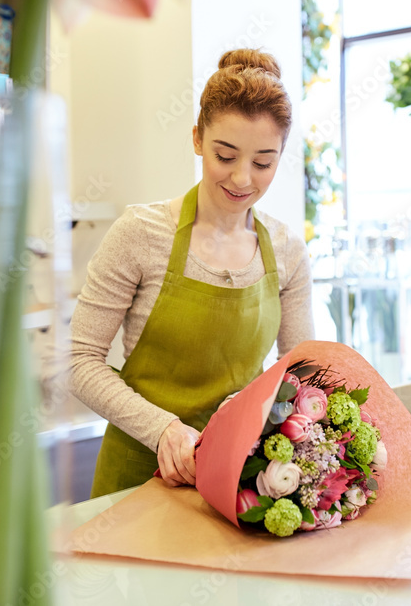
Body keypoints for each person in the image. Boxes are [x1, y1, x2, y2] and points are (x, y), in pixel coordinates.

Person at [70, 48, 314, 498]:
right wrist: (163, 430)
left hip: (241, 482)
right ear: (198, 138)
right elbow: (80, 361)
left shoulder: (287, 251)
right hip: (138, 476)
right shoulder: (142, 234)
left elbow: (299, 376)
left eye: (263, 162)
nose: (243, 179)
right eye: (226, 155)